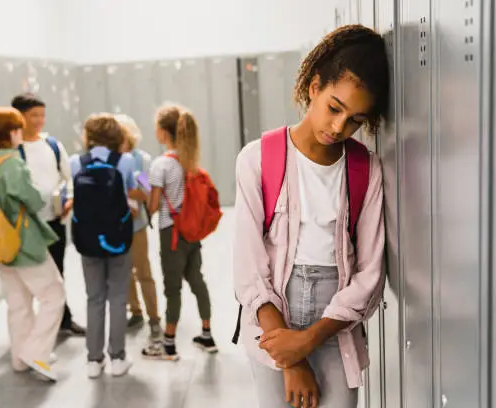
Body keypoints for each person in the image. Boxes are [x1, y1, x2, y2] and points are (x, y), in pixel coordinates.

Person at [233, 25, 389, 408]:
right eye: (335, 107)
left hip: (337, 325)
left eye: (354, 119)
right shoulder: (257, 158)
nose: (338, 128)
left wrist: (309, 339)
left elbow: (370, 275)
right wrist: (292, 356)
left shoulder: (365, 169)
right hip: (272, 318)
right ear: (314, 85)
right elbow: (249, 269)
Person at [0, 107, 66, 382]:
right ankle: (37, 352)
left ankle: (20, 358)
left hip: (0, 242)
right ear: (11, 132)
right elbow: (33, 199)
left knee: (18, 303)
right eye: (18, 128)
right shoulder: (12, 163)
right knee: (54, 294)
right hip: (24, 241)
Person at [70, 113, 146, 379]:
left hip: (87, 239)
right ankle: (117, 358)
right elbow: (139, 187)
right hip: (118, 238)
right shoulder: (125, 161)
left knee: (94, 298)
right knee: (117, 297)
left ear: (88, 136)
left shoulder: (75, 162)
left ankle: (93, 360)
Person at [142, 104, 217, 361]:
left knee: (172, 289)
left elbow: (153, 206)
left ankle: (169, 344)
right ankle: (207, 335)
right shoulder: (190, 162)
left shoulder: (160, 165)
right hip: (192, 232)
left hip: (171, 232)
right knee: (197, 280)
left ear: (163, 132)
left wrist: (142, 195)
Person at [11, 93, 86, 337]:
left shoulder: (52, 145)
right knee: (30, 280)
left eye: (42, 115)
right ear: (19, 116)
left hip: (54, 221)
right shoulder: (13, 150)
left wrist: (71, 197)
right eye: (34, 115)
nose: (39, 120)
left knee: (58, 273)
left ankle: (63, 320)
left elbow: (68, 177)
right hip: (27, 226)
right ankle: (35, 328)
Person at [115, 114, 162, 340]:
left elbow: (146, 192)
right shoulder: (110, 159)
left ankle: (154, 318)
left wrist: (122, 192)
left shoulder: (140, 159)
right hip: (115, 224)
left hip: (137, 225)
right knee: (124, 272)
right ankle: (135, 312)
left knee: (143, 271)